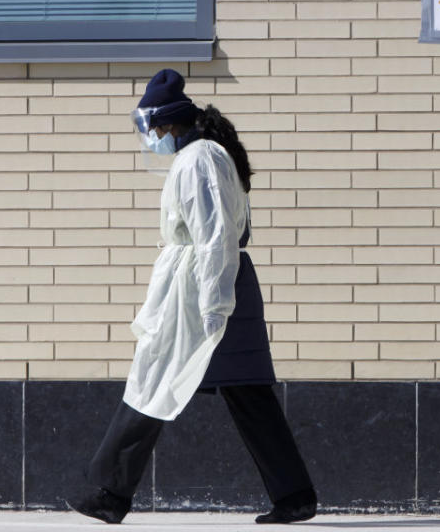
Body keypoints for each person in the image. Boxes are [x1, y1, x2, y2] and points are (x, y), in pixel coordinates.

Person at [70, 69, 317, 525]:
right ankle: (295, 495)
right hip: (215, 285)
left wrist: (213, 304)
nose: (152, 139)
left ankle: (111, 494)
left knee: (154, 378)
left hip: (202, 290)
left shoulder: (199, 160)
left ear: (168, 123)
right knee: (246, 393)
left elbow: (214, 236)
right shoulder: (205, 155)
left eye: (154, 129)